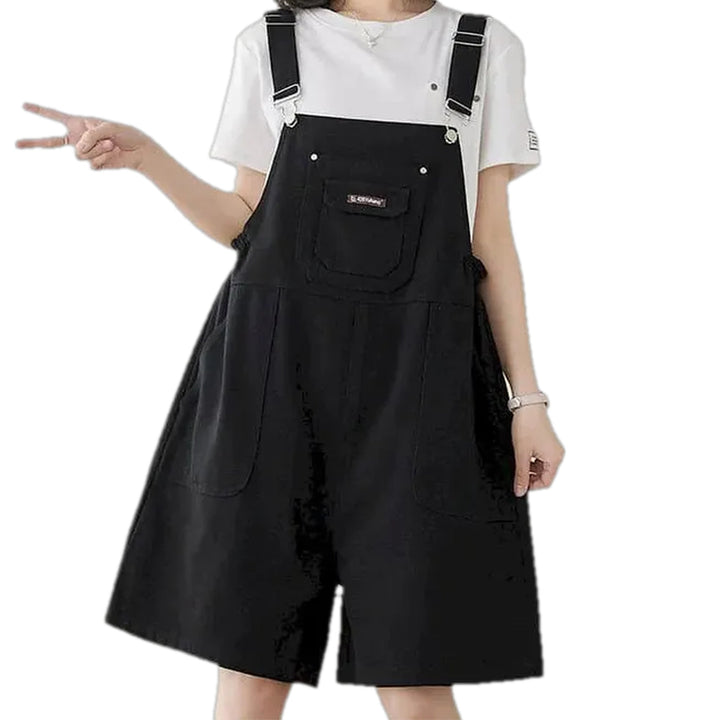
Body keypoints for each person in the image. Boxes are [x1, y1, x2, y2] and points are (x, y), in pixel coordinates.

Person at [16, 1, 565, 718]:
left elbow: (489, 241)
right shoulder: (270, 44)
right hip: (271, 379)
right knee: (252, 668)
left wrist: (528, 401)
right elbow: (244, 223)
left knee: (416, 676)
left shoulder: (483, 47)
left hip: (425, 389)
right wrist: (147, 157)